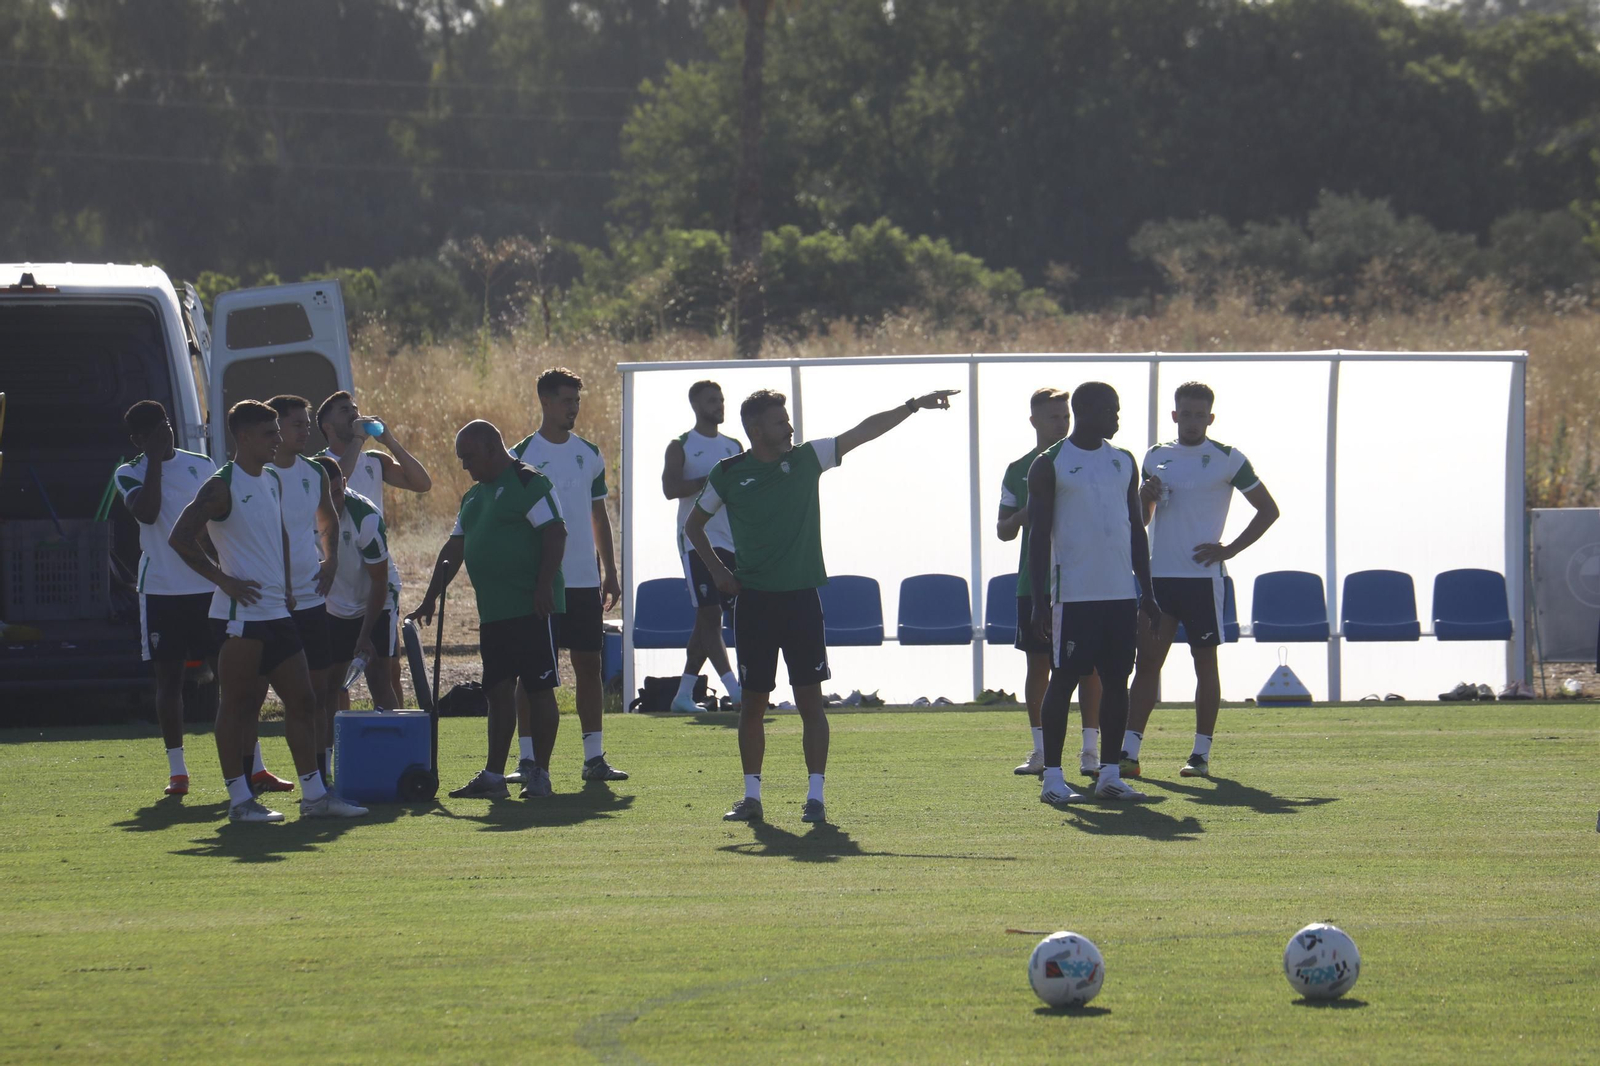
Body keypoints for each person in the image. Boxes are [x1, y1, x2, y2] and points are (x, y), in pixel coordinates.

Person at [686, 387, 959, 825]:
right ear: (756, 430)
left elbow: (863, 432)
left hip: (801, 601)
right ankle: (751, 797)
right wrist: (719, 572)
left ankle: (816, 798)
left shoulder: (807, 459)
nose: (790, 427)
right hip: (755, 603)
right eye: (780, 422)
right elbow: (693, 525)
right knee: (753, 705)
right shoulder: (729, 473)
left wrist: (912, 406)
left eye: (788, 419)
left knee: (810, 703)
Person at [167, 400, 366, 822]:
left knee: (305, 700)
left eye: (279, 431)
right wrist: (225, 579)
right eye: (270, 433)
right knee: (238, 705)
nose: (279, 439)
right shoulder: (221, 486)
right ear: (243, 437)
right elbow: (181, 537)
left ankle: (314, 797)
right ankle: (240, 801)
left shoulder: (273, 479)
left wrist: (286, 586)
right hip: (240, 616)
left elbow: (273, 535)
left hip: (279, 610)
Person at [1124, 381, 1279, 778]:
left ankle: (1200, 755)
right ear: (1174, 416)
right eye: (1185, 414)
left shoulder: (1228, 458)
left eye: (1200, 415)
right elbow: (1141, 520)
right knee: (1146, 665)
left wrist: (1229, 550)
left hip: (1201, 579)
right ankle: (1129, 752)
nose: (1192, 422)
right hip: (1159, 578)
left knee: (1204, 663)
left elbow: (1268, 510)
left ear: (1211, 418)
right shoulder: (1155, 455)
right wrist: (1146, 495)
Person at [409, 421, 567, 801]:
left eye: (469, 457)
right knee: (497, 692)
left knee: (539, 688)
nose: (464, 466)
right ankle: (494, 776)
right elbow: (454, 549)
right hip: (493, 613)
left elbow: (555, 532)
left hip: (532, 608)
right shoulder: (473, 498)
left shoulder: (530, 483)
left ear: (492, 449)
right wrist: (431, 596)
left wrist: (543, 584)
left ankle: (540, 774)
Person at [1028, 381, 1157, 804]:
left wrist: (1147, 591)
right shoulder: (1050, 464)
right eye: (1110, 411)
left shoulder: (1124, 461)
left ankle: (1109, 774)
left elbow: (1136, 530)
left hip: (1119, 594)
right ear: (1085, 411)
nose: (1117, 419)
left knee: (1117, 680)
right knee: (1063, 679)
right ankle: (1051, 777)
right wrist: (1039, 600)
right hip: (1074, 595)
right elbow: (1038, 535)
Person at [508, 368, 627, 782]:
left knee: (589, 665)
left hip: (583, 580)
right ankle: (526, 760)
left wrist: (610, 570)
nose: (573, 407)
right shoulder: (520, 455)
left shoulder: (590, 452)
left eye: (577, 400)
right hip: (542, 582)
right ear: (544, 401)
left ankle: (593, 757)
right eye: (565, 400)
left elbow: (598, 514)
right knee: (532, 671)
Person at [115, 401, 225, 796]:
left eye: (167, 426)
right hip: (162, 590)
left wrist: (225, 571)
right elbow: (147, 513)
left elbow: (218, 526)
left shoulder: (202, 463)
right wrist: (155, 462)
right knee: (169, 682)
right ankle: (178, 771)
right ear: (138, 440)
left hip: (208, 588)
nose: (166, 435)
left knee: (231, 676)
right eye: (155, 432)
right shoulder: (129, 472)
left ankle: (252, 763)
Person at [997, 388, 1102, 779]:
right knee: (1038, 664)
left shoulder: (1092, 461)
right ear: (1034, 421)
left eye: (1065, 416)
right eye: (1053, 417)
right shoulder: (1018, 469)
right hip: (1035, 583)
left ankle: (1090, 751)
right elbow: (1003, 530)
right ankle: (1041, 750)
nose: (1061, 424)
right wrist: (1031, 508)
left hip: (1083, 580)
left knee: (1089, 667)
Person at [316, 390, 432, 703]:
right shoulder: (320, 467)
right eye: (344, 410)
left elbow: (422, 484)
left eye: (355, 407)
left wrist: (390, 441)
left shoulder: (374, 461)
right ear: (327, 426)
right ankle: (338, 741)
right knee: (335, 675)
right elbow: (339, 480)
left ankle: (394, 735)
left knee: (386, 668)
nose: (354, 413)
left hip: (377, 571)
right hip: (339, 581)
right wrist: (357, 441)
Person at [265, 395, 340, 780]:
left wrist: (332, 561)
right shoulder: (255, 474)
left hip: (310, 600)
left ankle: (320, 773)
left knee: (320, 691)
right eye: (297, 423)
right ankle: (250, 776)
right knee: (253, 697)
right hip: (267, 605)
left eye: (307, 423)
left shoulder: (315, 472)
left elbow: (327, 517)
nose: (305, 430)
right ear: (274, 427)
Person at [660, 379, 743, 713]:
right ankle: (735, 691)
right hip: (697, 540)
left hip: (731, 539)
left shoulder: (734, 445)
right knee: (710, 614)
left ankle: (683, 694)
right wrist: (710, 480)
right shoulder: (681, 444)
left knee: (707, 620)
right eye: (712, 400)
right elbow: (670, 488)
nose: (719, 405)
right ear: (696, 405)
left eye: (721, 400)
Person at [314, 455, 401, 739]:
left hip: (375, 600)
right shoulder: (299, 513)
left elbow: (379, 582)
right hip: (334, 603)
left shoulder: (366, 516)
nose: (333, 501)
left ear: (346, 484)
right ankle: (326, 763)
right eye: (325, 495)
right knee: (329, 684)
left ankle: (397, 755)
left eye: (337, 492)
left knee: (379, 678)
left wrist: (364, 635)